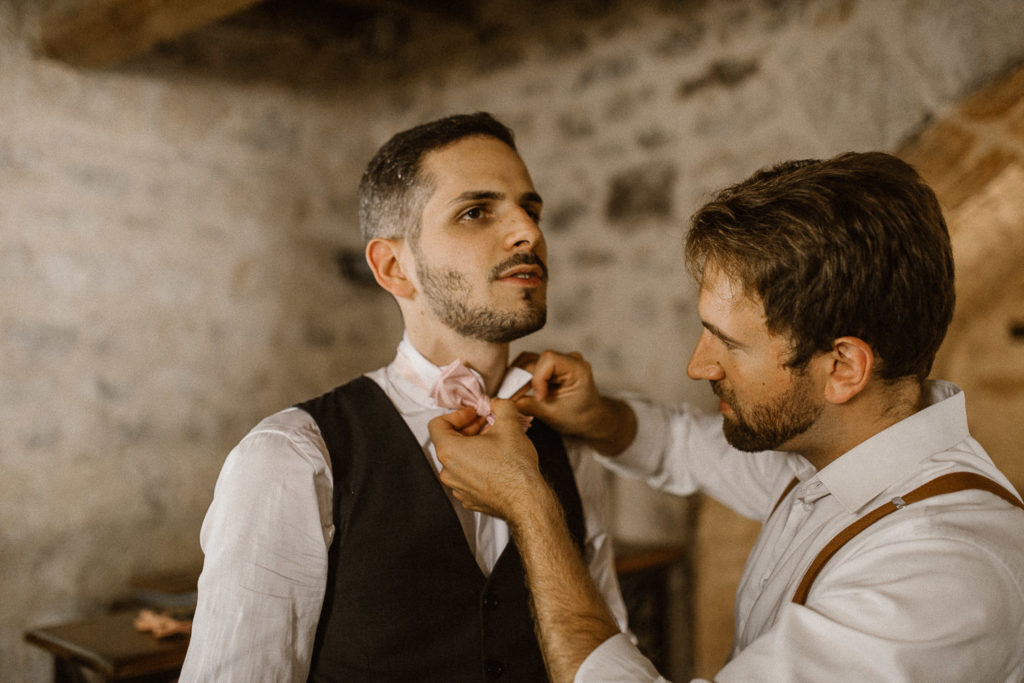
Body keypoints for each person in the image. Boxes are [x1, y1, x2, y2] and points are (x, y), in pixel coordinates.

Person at [430, 152, 1024, 682]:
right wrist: (602, 418)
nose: (697, 365)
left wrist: (530, 507)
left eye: (727, 343)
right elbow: (689, 449)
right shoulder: (845, 458)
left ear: (843, 367)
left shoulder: (937, 576)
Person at [180, 112, 629, 681]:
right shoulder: (288, 457)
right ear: (394, 267)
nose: (529, 233)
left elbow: (608, 655)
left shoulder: (570, 442)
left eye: (531, 209)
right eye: (475, 212)